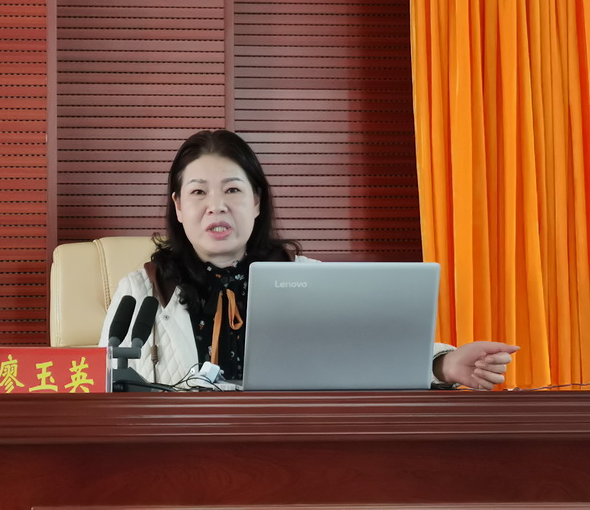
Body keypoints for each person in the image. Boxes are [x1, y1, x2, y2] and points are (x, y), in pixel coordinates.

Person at [99, 129, 519, 389]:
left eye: (232, 190)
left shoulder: (308, 280)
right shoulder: (141, 290)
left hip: (290, 451)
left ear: (257, 201)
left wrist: (443, 364)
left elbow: (372, 349)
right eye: (198, 192)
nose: (216, 206)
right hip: (179, 460)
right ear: (177, 205)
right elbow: (104, 387)